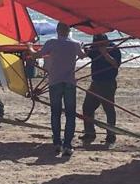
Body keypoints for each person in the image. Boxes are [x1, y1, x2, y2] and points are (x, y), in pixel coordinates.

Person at [28, 22, 86, 156]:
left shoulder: (51, 42)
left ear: (58, 30)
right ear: (69, 30)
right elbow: (83, 55)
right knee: (70, 115)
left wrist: (29, 47)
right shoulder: (75, 43)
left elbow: (36, 56)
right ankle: (67, 145)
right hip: (70, 82)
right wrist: (82, 48)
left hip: (55, 82)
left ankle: (57, 143)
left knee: (56, 113)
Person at [80, 34, 121, 145]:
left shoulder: (114, 48)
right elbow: (85, 55)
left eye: (100, 44)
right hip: (95, 83)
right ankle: (89, 132)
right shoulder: (95, 48)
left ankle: (111, 135)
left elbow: (115, 64)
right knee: (87, 107)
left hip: (108, 83)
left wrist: (104, 53)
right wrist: (85, 50)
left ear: (106, 41)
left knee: (109, 109)